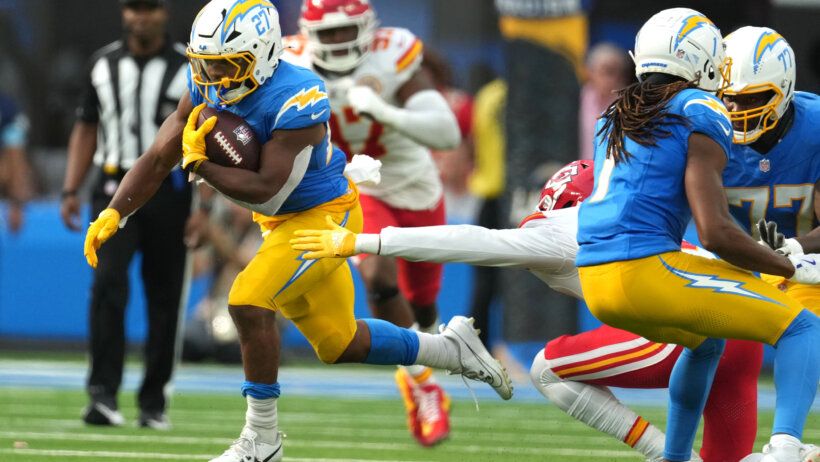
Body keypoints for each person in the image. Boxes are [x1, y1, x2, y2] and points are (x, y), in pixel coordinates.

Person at [81, 2, 511, 461]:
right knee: (340, 343)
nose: (214, 75)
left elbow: (266, 189)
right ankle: (451, 350)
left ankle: (261, 440)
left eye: (227, 63)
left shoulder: (299, 93)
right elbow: (157, 155)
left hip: (323, 218)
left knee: (247, 301)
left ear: (263, 54)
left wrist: (201, 163)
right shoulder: (204, 82)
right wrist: (115, 213)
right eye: (206, 62)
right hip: (282, 222)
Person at [290, 160, 785, 461]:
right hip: (738, 331)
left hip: (689, 332)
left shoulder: (563, 227)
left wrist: (369, 241)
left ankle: (667, 456)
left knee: (547, 368)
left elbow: (468, 239)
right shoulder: (643, 215)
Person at [575, 8, 820, 461]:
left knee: (707, 341)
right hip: (678, 262)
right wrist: (785, 261)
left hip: (599, 272)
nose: (737, 109)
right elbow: (713, 232)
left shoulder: (618, 112)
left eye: (752, 99)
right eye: (731, 97)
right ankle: (785, 447)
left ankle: (677, 457)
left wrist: (791, 252)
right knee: (802, 328)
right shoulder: (698, 110)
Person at [281, 0, 462, 447]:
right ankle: (423, 383)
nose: (340, 42)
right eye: (330, 33)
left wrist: (381, 109)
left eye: (347, 31)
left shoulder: (392, 52)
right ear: (309, 33)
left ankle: (421, 365)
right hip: (353, 187)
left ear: (366, 28)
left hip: (413, 183)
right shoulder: (288, 61)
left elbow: (447, 133)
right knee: (377, 275)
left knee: (423, 307)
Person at [59, 0, 193, 430]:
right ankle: (103, 395)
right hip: (113, 186)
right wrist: (70, 189)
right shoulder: (103, 63)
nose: (142, 17)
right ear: (124, 13)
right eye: (135, 7)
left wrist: (205, 206)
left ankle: (153, 402)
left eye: (150, 8)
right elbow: (86, 126)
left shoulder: (191, 67)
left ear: (163, 13)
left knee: (165, 295)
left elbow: (208, 132)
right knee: (106, 287)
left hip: (171, 191)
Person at [578, 42, 633, 160]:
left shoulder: (629, 104)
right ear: (590, 72)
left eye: (616, 72)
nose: (611, 79)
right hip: (578, 169)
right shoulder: (577, 98)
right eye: (606, 71)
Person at [0, 93, 32, 233]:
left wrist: (16, 204)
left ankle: (16, 206)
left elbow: (16, 161)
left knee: (12, 163)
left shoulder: (7, 109)